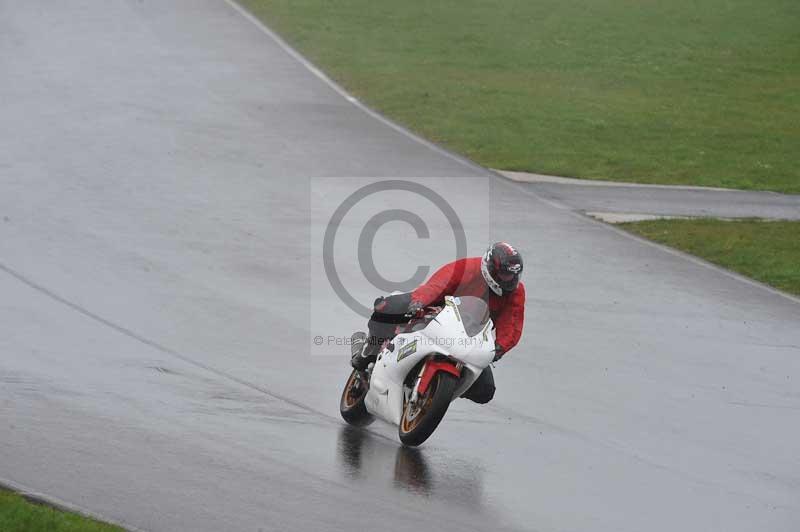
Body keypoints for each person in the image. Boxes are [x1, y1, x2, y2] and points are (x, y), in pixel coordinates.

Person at [350, 242, 525, 404]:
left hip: (469, 335)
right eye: (505, 274)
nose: (509, 280)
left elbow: (513, 322)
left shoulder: (515, 292)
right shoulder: (467, 268)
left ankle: (436, 391)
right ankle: (368, 350)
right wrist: (419, 301)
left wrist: (500, 347)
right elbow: (438, 284)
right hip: (436, 312)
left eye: (513, 276)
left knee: (485, 391)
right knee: (387, 307)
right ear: (491, 268)